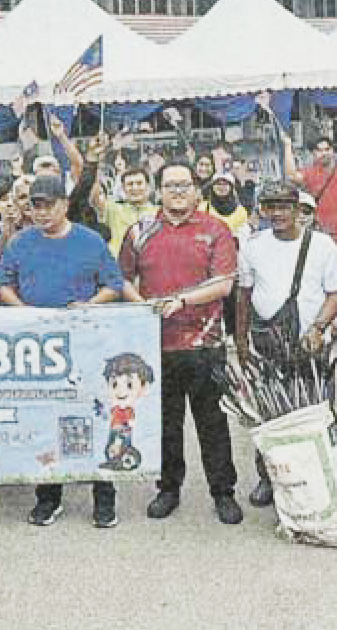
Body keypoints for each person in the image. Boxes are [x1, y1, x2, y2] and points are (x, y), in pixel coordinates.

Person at [0, 176, 124, 527]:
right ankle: (48, 497)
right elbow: (2, 282)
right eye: (35, 205)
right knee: (44, 419)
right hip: (39, 348)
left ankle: (104, 496)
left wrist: (89, 304)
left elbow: (113, 283)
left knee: (94, 417)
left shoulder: (89, 240)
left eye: (48, 204)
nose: (41, 212)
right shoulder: (20, 242)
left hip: (84, 344)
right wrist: (22, 311)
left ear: (64, 205)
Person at [119, 162, 242, 525]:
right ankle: (168, 488)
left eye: (184, 185)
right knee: (166, 423)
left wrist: (182, 301)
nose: (177, 191)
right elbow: (123, 278)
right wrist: (142, 306)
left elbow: (224, 283)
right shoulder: (140, 231)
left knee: (212, 423)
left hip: (205, 344)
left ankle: (223, 492)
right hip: (157, 345)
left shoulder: (216, 230)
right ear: (159, 190)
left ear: (196, 190)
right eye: (170, 185)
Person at [235, 181, 337, 507]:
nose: (277, 213)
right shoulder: (252, 246)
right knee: (271, 414)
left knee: (318, 412)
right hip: (268, 341)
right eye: (270, 206)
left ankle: (327, 476)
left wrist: (318, 327)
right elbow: (243, 295)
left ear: (299, 210)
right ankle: (270, 478)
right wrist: (242, 341)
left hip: (310, 343)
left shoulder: (323, 245)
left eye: (284, 206)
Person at [285, 135, 337, 243]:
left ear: (333, 151)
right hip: (318, 231)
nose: (324, 153)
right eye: (319, 150)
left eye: (327, 149)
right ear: (314, 154)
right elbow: (291, 175)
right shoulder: (310, 174)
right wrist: (287, 146)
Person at [90, 162, 157, 256]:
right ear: (123, 189)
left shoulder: (160, 212)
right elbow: (94, 199)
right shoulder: (114, 209)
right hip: (118, 267)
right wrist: (94, 164)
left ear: (148, 187)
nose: (134, 188)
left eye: (139, 183)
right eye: (130, 184)